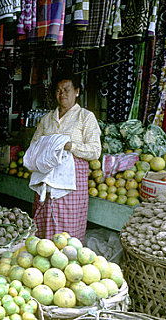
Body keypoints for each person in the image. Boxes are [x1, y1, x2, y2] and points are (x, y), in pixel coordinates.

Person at [30, 77, 101, 242]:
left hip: (72, 181)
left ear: (77, 92)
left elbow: (95, 151)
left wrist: (71, 146)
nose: (62, 94)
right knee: (45, 216)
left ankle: (68, 260)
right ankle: (41, 251)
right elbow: (34, 145)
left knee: (67, 224)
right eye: (58, 90)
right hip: (46, 177)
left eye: (67, 90)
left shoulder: (85, 117)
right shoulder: (47, 119)